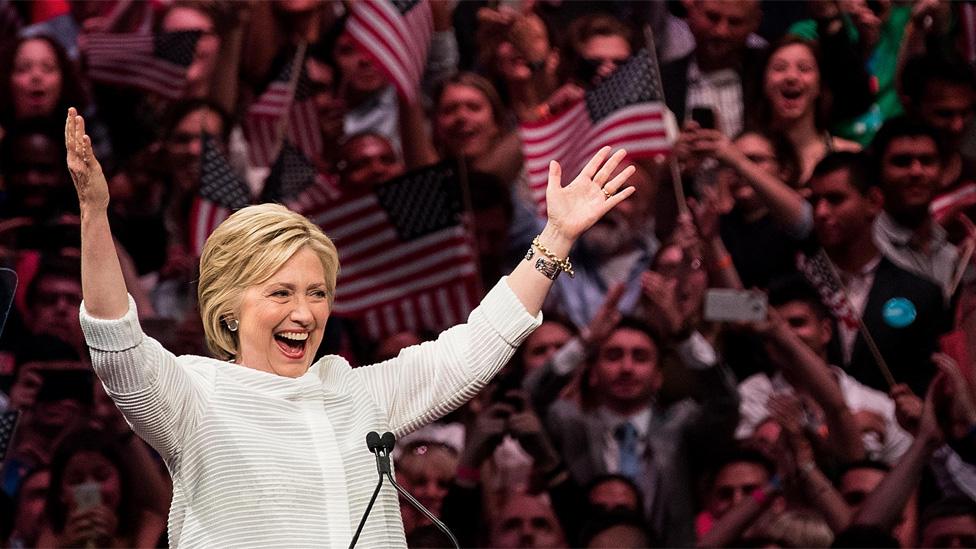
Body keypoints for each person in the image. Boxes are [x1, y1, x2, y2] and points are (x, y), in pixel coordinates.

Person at [64, 107, 636, 547]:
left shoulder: (356, 392)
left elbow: (473, 346)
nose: (305, 312)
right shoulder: (191, 394)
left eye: (317, 294)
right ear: (229, 309)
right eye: (281, 293)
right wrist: (94, 214)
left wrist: (555, 238)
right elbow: (117, 341)